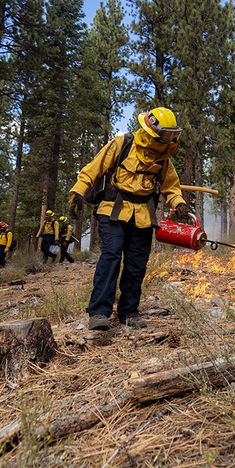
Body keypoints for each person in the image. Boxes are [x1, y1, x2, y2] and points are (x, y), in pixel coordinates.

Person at [68, 107, 192, 330]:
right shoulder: (123, 143)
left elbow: (171, 187)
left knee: (136, 264)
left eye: (173, 134)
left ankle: (128, 313)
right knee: (111, 255)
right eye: (166, 134)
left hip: (143, 215)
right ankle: (99, 313)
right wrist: (78, 191)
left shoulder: (164, 157)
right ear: (152, 131)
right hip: (113, 210)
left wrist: (178, 203)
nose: (170, 139)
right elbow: (93, 168)